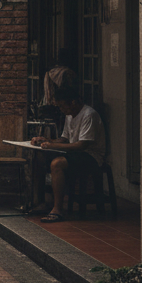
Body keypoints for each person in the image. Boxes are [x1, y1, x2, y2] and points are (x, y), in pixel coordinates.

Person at [29, 80, 105, 222]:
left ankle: (58, 209)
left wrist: (53, 146)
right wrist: (46, 140)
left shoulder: (89, 115)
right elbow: (64, 138)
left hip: (90, 156)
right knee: (39, 157)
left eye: (63, 106)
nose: (62, 110)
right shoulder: (69, 115)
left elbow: (81, 145)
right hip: (74, 152)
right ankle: (42, 201)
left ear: (74, 102)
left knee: (57, 163)